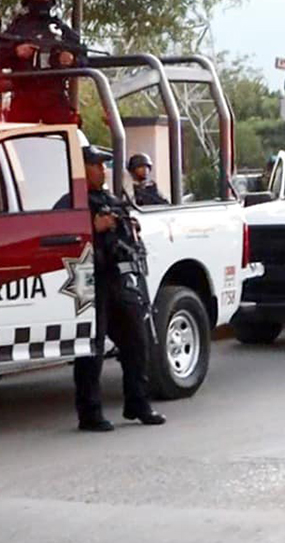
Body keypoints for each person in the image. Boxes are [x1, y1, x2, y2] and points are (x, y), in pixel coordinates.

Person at [74, 146, 166, 431]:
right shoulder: (72, 202)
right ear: (81, 168)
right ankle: (90, 413)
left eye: (103, 165)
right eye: (95, 165)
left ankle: (138, 403)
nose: (102, 170)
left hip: (116, 277)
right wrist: (92, 227)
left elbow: (125, 236)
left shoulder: (111, 199)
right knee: (92, 347)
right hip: (87, 279)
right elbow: (64, 237)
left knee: (137, 340)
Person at [0, 0, 88, 125]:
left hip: (55, 98)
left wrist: (72, 59)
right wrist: (16, 52)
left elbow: (84, 59)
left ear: (51, 0)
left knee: (66, 142)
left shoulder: (61, 29)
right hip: (23, 98)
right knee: (19, 142)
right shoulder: (16, 29)